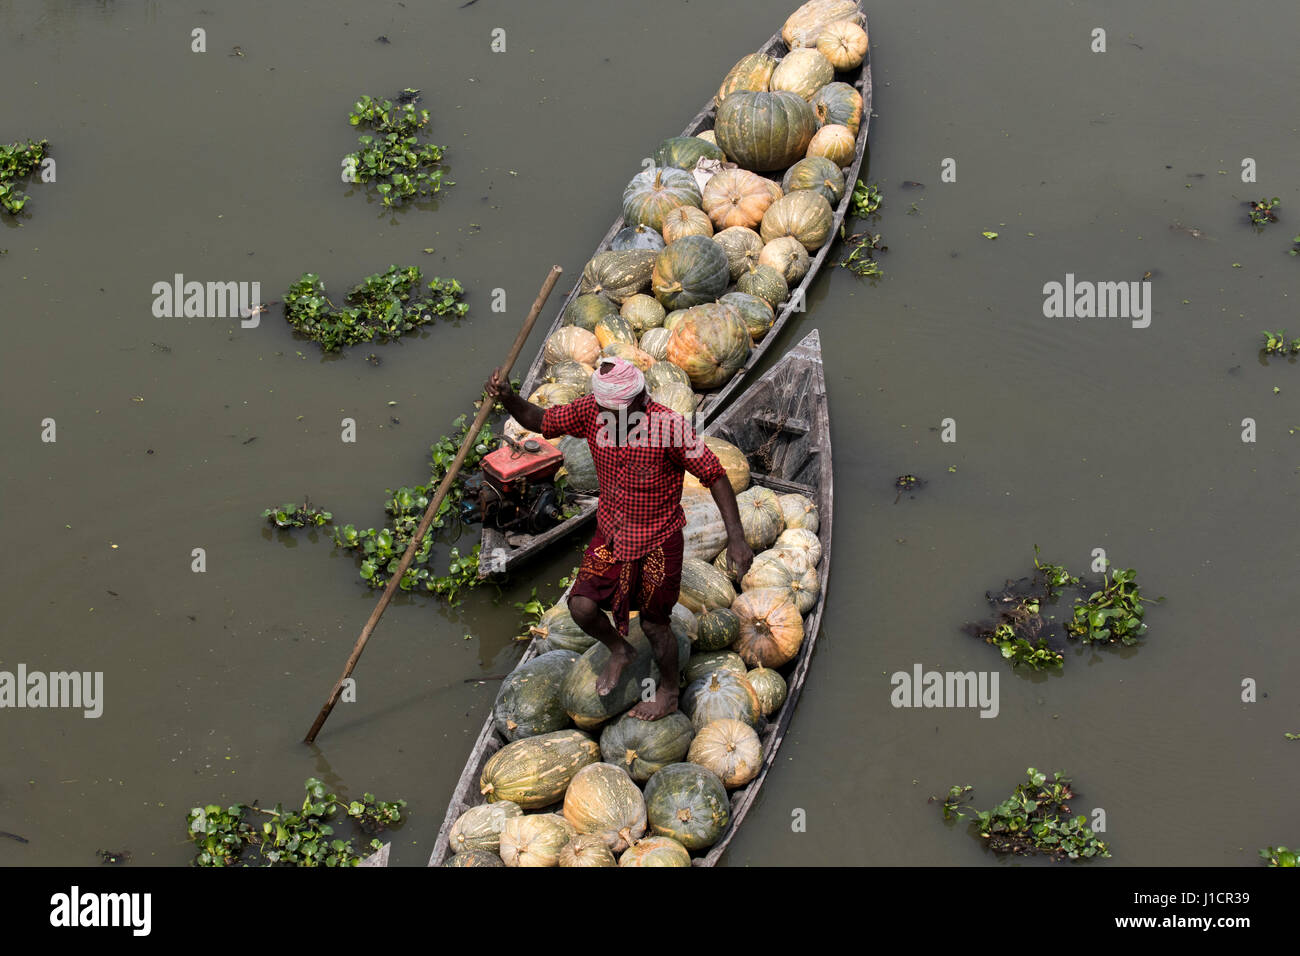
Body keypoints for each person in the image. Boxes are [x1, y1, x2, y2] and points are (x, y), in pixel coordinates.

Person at [485, 357, 752, 719]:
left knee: (655, 626)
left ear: (641, 400)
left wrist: (736, 538)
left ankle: (669, 691)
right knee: (581, 606)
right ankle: (619, 649)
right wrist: (507, 398)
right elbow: (539, 420)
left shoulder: (669, 428)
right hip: (612, 534)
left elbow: (715, 475)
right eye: (607, 414)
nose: (611, 422)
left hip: (659, 541)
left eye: (620, 416)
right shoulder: (593, 410)